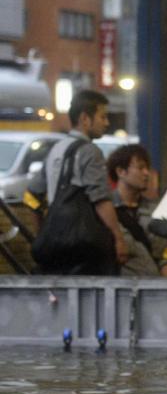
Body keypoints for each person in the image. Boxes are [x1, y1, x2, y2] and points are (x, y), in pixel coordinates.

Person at [29, 89, 128, 274]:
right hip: (85, 247)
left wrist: (41, 230)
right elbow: (101, 200)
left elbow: (32, 194)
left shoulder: (55, 149)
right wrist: (118, 238)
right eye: (103, 117)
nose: (106, 123)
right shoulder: (90, 151)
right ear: (85, 118)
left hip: (57, 245)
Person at [106, 144, 167, 277]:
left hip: (152, 286)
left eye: (147, 168)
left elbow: (164, 252)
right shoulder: (106, 210)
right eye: (140, 167)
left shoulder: (155, 209)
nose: (146, 173)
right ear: (121, 171)